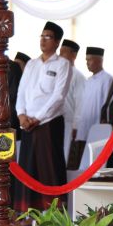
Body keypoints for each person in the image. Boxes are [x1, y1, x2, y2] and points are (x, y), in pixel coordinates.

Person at [14, 22, 73, 211]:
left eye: (48, 37)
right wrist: (21, 115)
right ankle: (27, 214)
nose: (43, 40)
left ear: (57, 42)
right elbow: (21, 92)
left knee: (50, 168)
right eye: (42, 36)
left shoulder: (63, 64)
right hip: (27, 124)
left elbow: (58, 96)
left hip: (49, 123)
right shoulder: (31, 64)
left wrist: (37, 118)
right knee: (28, 169)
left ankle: (54, 213)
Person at [75, 46, 112, 165]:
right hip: (84, 126)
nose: (87, 63)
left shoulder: (107, 79)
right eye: (86, 60)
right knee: (82, 160)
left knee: (95, 160)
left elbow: (106, 104)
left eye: (90, 60)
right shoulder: (88, 80)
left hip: (97, 126)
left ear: (99, 60)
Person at [59, 39, 85, 166]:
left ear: (74, 55)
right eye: (60, 51)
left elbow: (80, 102)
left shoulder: (78, 76)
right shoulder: (57, 72)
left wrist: (76, 125)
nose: (60, 55)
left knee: (64, 155)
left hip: (68, 123)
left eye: (64, 52)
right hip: (54, 121)